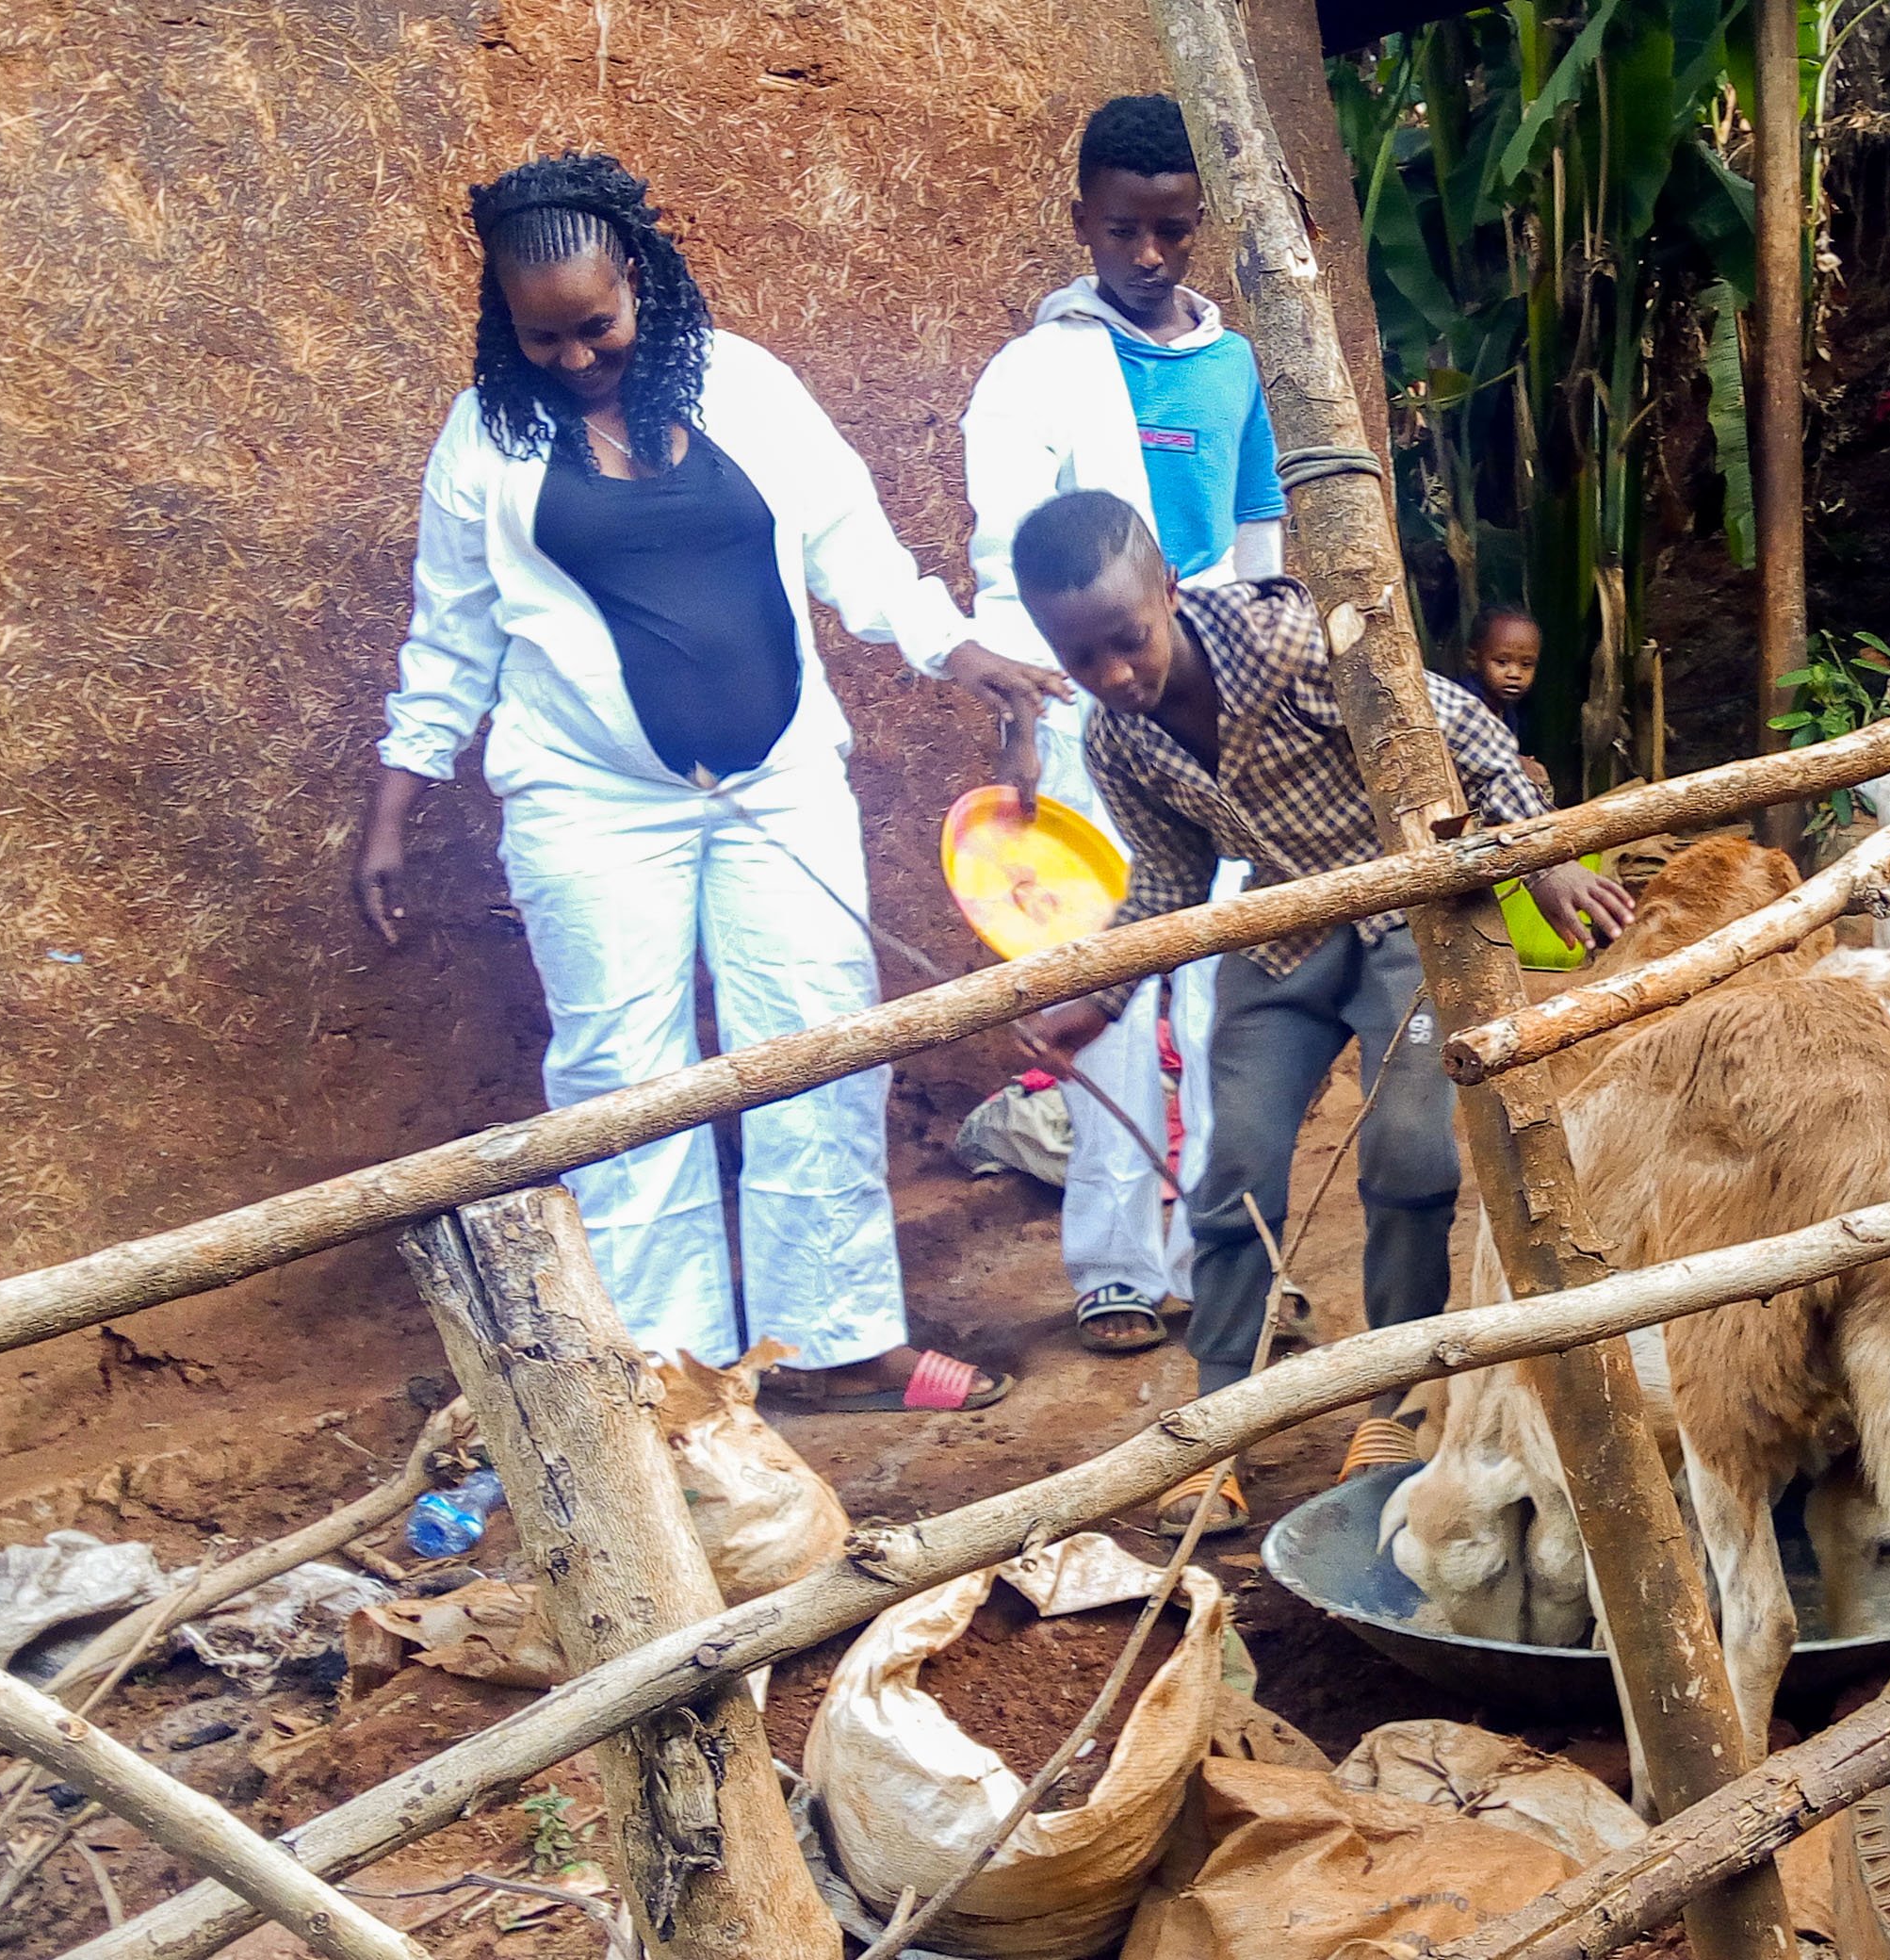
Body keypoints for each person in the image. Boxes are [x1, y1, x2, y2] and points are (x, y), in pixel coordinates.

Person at [355, 153, 1009, 1413]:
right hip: (589, 808)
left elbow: (854, 556)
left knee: (821, 1042)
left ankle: (837, 1337)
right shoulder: (483, 436)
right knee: (621, 1083)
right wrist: (397, 797)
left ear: (639, 283)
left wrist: (955, 647)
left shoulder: (749, 390)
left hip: (776, 790)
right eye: (539, 335)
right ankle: (673, 1370)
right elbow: (450, 636)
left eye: (593, 325)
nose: (573, 356)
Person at [1006, 491, 1634, 1530]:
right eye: (1081, 659)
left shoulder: (1291, 641)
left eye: (1127, 640)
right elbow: (1167, 884)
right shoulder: (1117, 742)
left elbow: (1466, 729)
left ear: (1170, 588)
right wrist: (1095, 1000)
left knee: (1408, 1157)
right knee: (1234, 1167)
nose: (1114, 674)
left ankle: (1395, 1399)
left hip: (1407, 918)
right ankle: (1221, 1420)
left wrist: (1545, 857)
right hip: (1281, 931)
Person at [938, 94, 1282, 1361]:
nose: (1149, 257)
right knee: (1110, 987)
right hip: (1088, 718)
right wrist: (1024, 722)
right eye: (1125, 230)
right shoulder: (1032, 375)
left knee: (1225, 995)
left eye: (1174, 233)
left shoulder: (1235, 365)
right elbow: (1005, 563)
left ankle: (1228, 1254)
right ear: (1080, 216)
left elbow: (1258, 548)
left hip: (1212, 712)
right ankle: (1115, 1264)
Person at [1463, 607, 1552, 801]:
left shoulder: (1508, 711)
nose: (1515, 674)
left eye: (1526, 665)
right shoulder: (1464, 705)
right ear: (1473, 659)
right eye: (1502, 662)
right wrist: (1515, 763)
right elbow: (1471, 753)